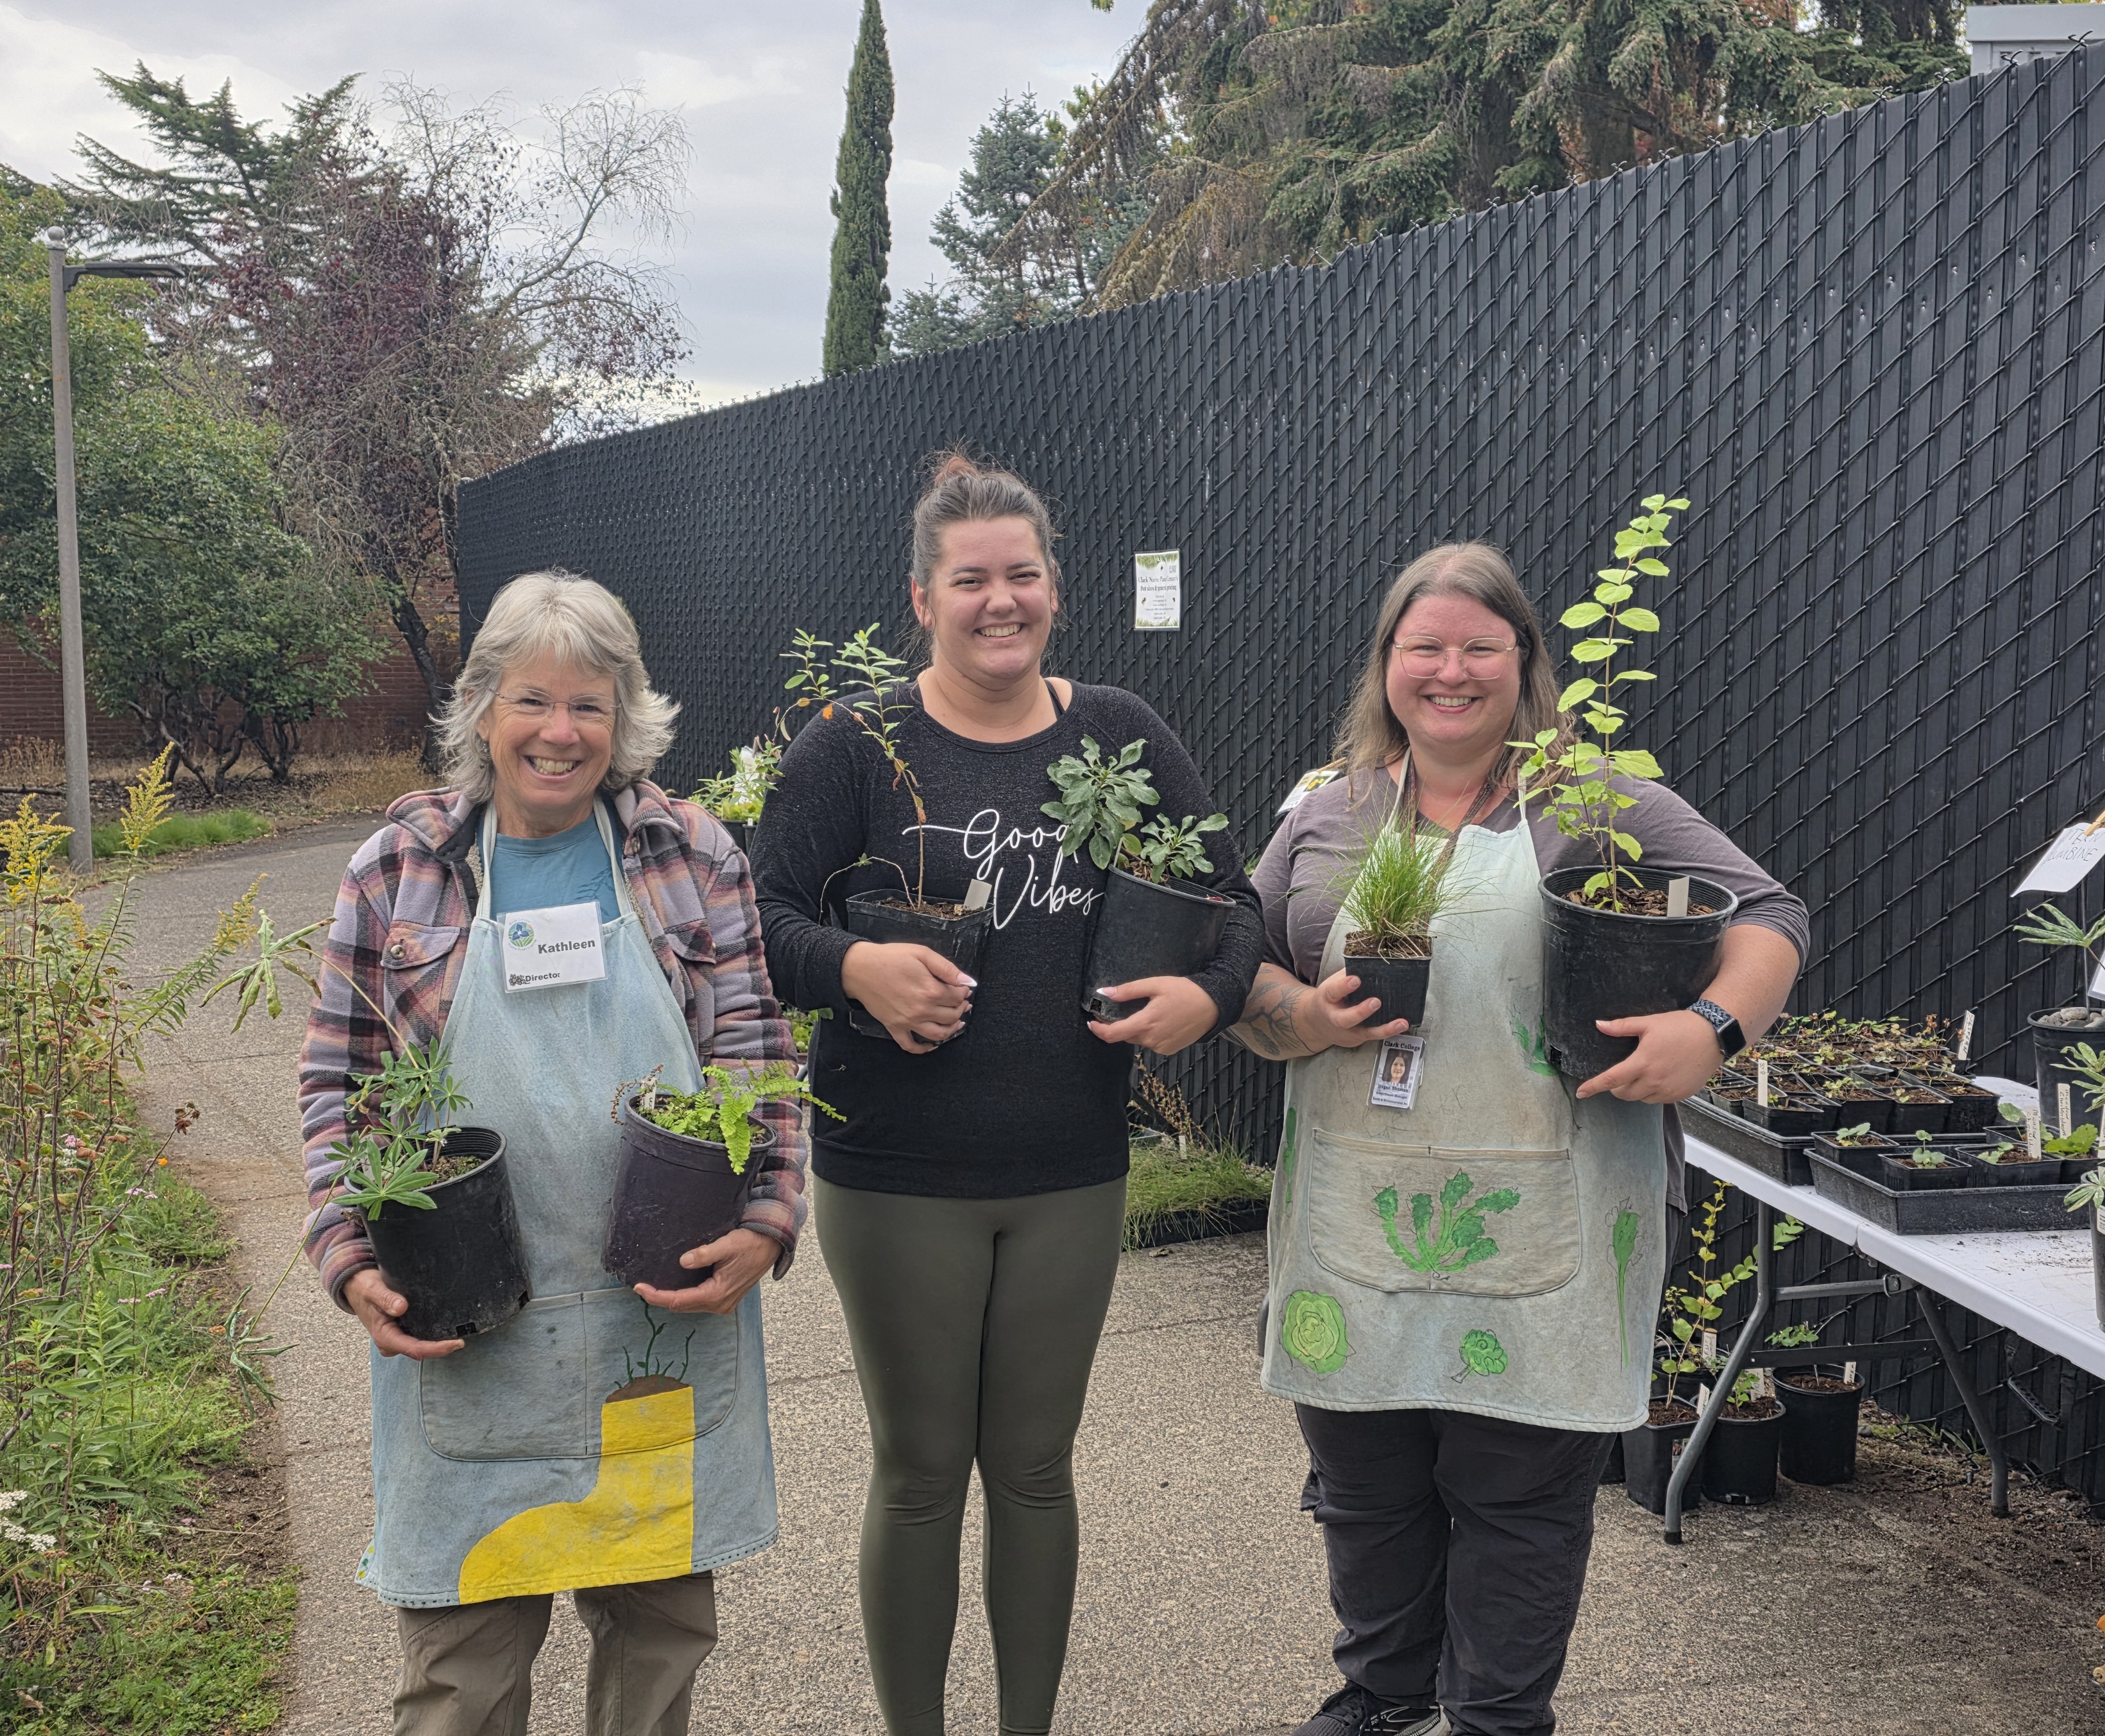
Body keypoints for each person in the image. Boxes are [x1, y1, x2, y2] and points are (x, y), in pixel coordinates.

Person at [1232, 543, 1808, 1736]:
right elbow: (1231, 963)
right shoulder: (1324, 812)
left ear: (1523, 663)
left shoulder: (1593, 803)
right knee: (1368, 1492)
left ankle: (1496, 1719)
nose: (1448, 671)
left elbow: (1766, 913)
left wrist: (1711, 1027)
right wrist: (1291, 1016)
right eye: (1421, 647)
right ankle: (1382, 1699)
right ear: (1386, 664)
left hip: (1544, 1218)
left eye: (1475, 647)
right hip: (1350, 1219)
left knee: (1515, 1505)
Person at [752, 454, 1264, 1736]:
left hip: (1069, 1168)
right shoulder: (855, 745)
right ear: (922, 597)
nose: (999, 600)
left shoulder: (1117, 736)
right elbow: (749, 922)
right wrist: (856, 963)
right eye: (968, 578)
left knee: (1033, 1470)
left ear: (1054, 588)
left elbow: (1232, 907)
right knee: (921, 1473)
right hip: (896, 1172)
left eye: (1020, 574)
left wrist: (1206, 997)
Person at [299, 572, 804, 1735]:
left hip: (655, 1325)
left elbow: (757, 1057)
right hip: (471, 1330)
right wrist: (345, 1249)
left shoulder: (692, 855)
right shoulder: (399, 870)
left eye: (591, 704)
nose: (561, 733)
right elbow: (337, 1086)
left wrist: (767, 1219)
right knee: (461, 1669)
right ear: (482, 709)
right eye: (534, 701)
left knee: (657, 1644)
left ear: (625, 717)